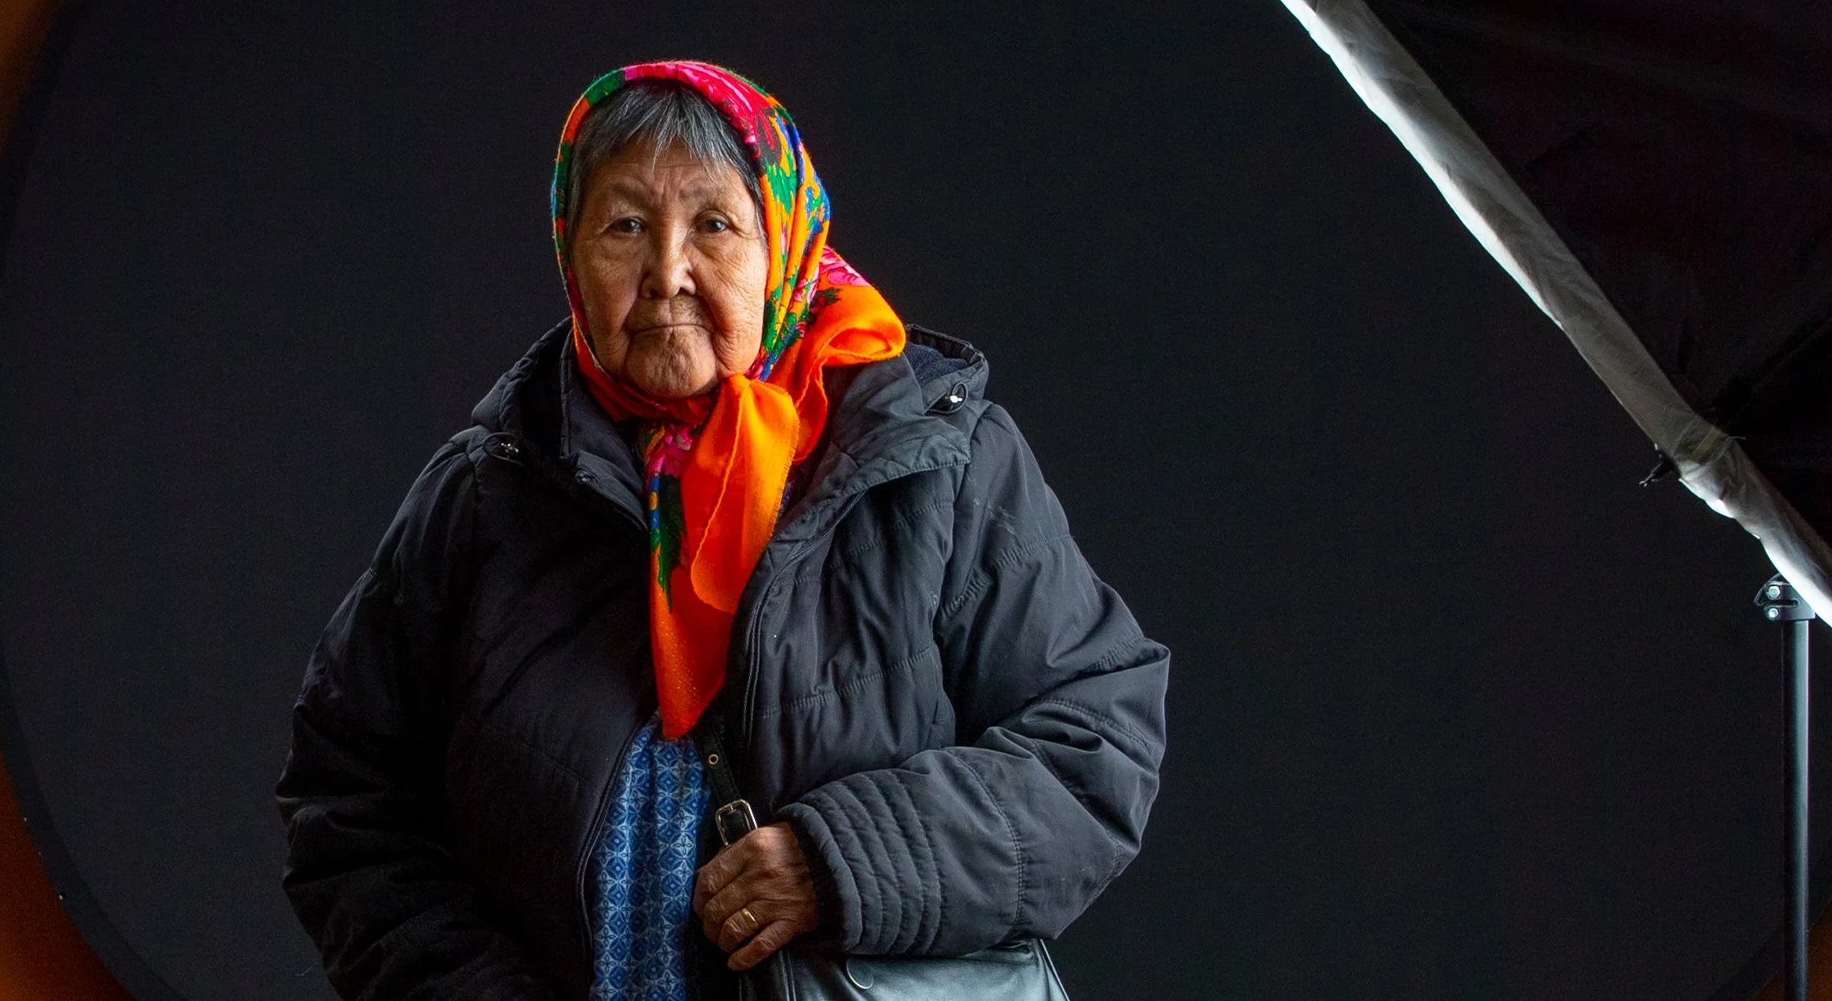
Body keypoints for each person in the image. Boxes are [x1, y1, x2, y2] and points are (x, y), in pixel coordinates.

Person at [278, 61, 1167, 1000]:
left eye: (713, 225)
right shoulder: (487, 491)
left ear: (783, 242)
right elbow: (347, 801)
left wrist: (845, 861)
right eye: (625, 226)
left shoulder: (937, 460)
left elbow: (1096, 747)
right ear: (571, 253)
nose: (668, 273)